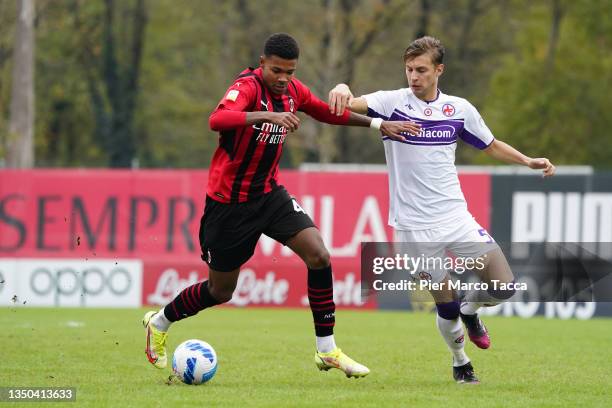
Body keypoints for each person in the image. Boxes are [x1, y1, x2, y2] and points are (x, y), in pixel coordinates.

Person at [142, 33, 420, 379]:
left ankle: (327, 350)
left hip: (269, 196)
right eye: (277, 71)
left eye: (290, 72)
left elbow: (324, 112)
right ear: (262, 64)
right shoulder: (245, 88)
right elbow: (218, 119)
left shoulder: (292, 91)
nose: (284, 78)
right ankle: (160, 320)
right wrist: (264, 116)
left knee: (319, 255)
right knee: (220, 290)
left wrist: (378, 123)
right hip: (229, 204)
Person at [328, 36, 555, 384]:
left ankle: (472, 307)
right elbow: (348, 106)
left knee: (505, 287)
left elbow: (490, 145)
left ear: (439, 70)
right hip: (413, 228)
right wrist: (343, 87)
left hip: (455, 218)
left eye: (421, 70)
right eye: (409, 69)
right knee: (444, 306)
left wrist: (526, 160)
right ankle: (461, 362)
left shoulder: (459, 109)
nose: (413, 77)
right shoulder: (391, 103)